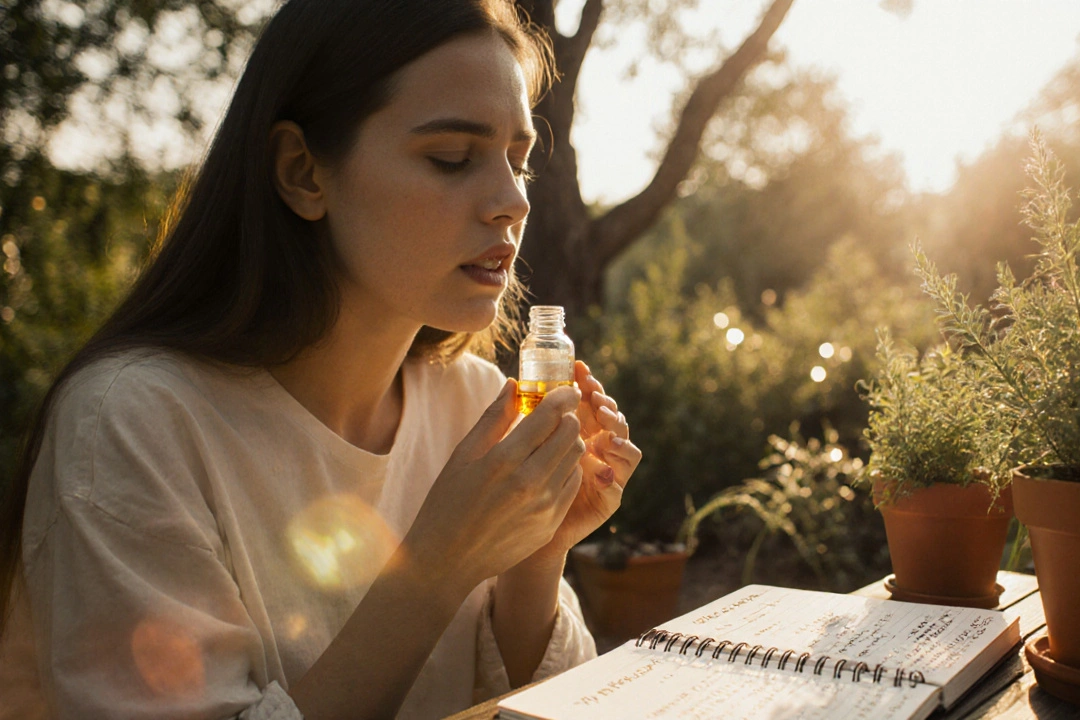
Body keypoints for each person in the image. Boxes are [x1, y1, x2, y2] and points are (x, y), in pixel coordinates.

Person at [0, 0, 642, 717]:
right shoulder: (131, 426)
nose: (510, 202)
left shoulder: (473, 402)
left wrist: (534, 552)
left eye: (518, 163)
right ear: (304, 172)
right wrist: (436, 568)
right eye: (452, 158)